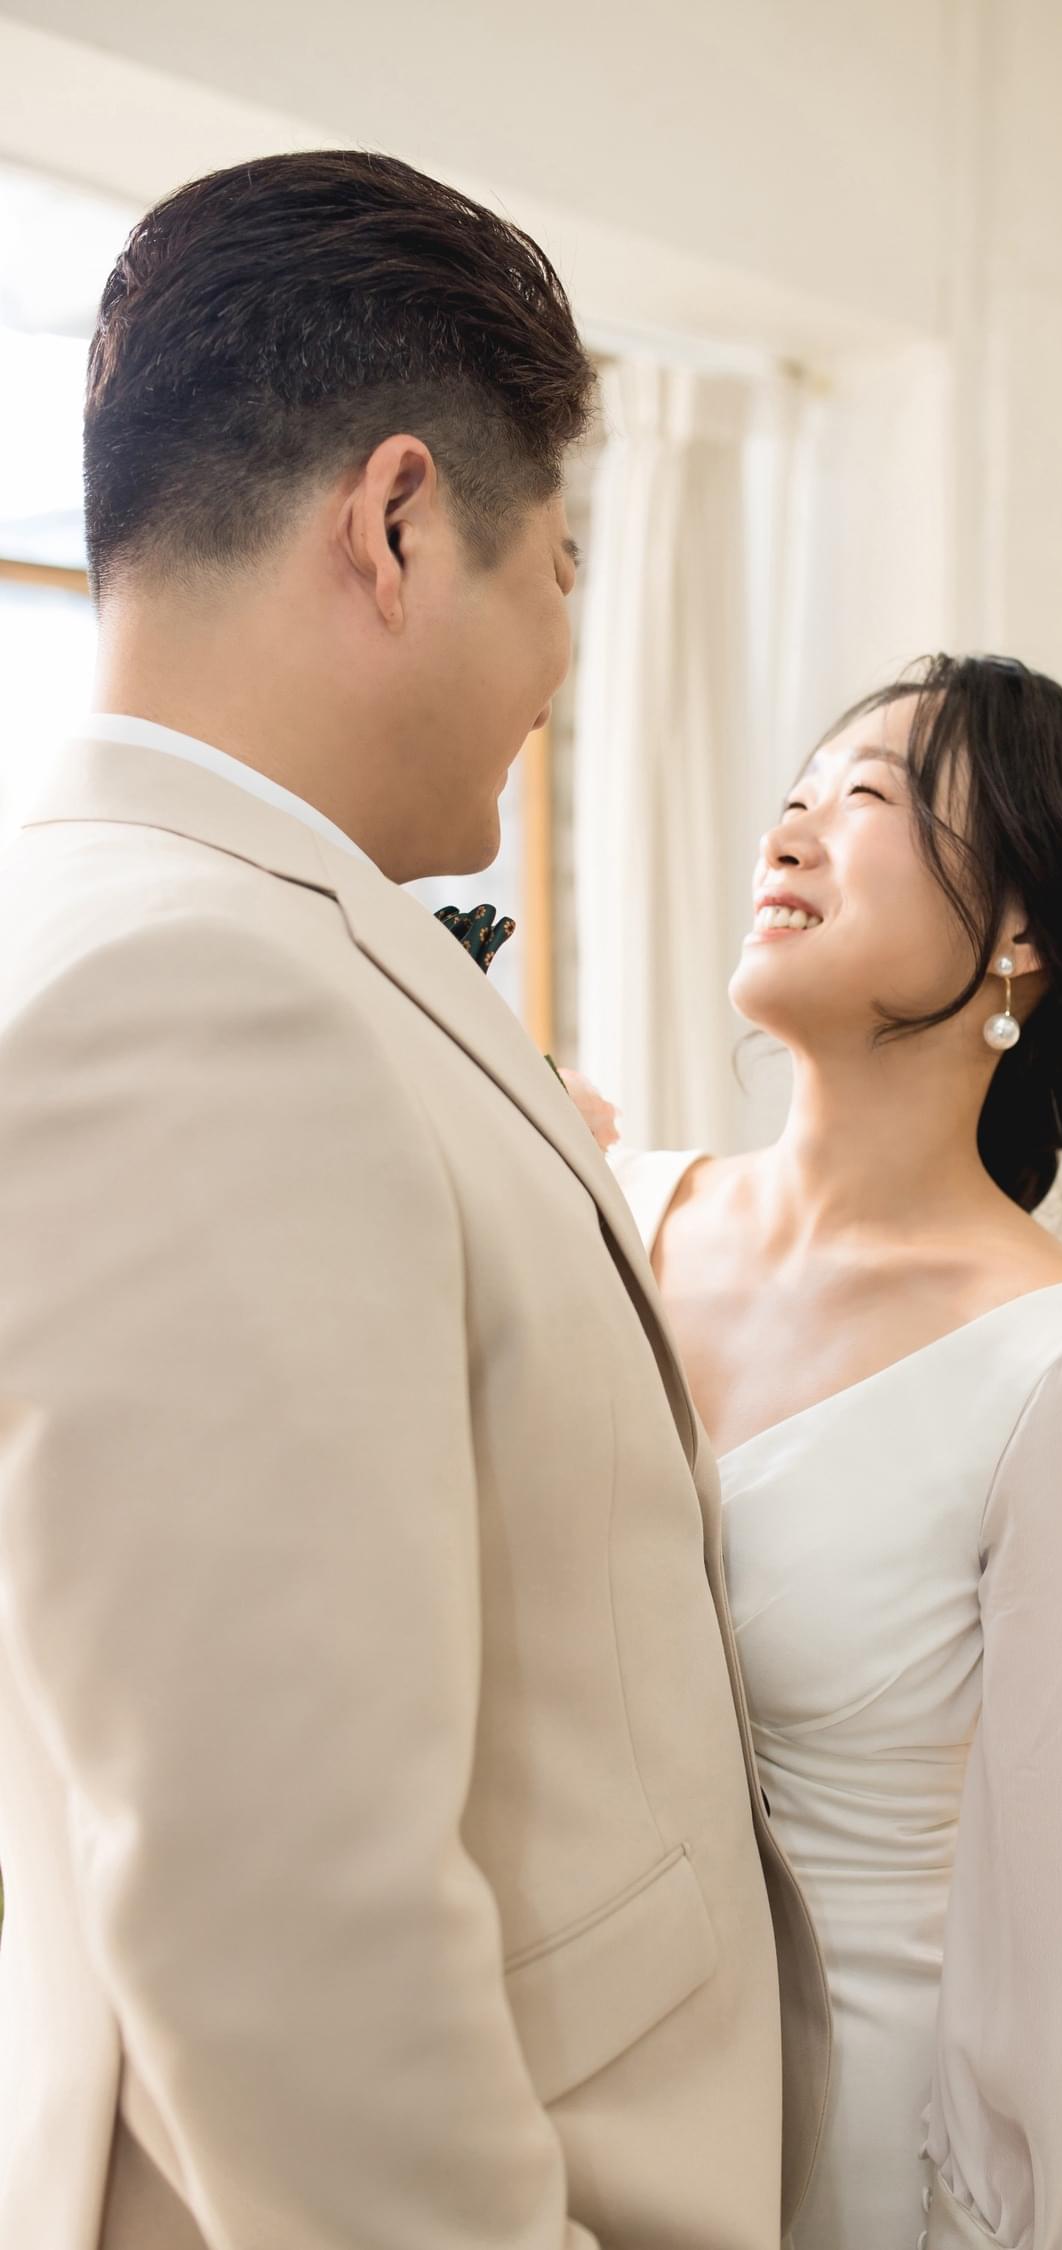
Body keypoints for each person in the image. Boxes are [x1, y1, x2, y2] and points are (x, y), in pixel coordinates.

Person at [0, 151, 826, 2250]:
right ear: (394, 524)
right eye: (559, 564)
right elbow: (279, 1908)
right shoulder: (198, 995)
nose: (562, 648)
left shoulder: (148, 930)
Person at [608, 654, 1062, 2250]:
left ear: (1021, 935)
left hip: (845, 2147)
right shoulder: (608, 1209)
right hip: (558, 2104)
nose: (788, 831)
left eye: (867, 795)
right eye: (794, 794)